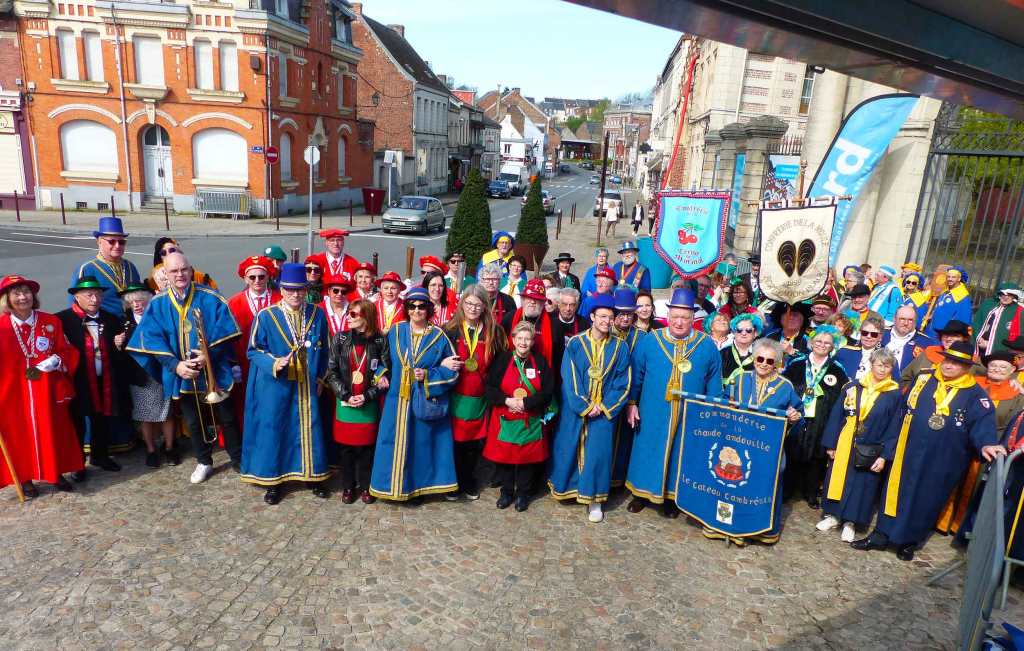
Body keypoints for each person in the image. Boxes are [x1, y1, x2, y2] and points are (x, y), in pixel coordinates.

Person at [853, 341, 1004, 561]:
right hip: (908, 448)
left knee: (927, 498)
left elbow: (983, 425)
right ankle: (881, 535)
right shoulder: (924, 378)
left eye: (956, 363)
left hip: (943, 458)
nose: (949, 365)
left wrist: (987, 443)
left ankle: (909, 541)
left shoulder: (975, 395)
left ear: (967, 367)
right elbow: (902, 409)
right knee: (895, 490)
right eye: (947, 360)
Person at [127, 252, 244, 484]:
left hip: (214, 369)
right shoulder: (158, 303)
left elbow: (227, 328)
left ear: (191, 270)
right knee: (193, 421)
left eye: (184, 269)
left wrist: (209, 355)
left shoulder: (211, 297)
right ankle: (204, 461)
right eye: (174, 271)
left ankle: (238, 458)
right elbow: (150, 338)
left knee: (227, 417)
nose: (180, 274)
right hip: (183, 373)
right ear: (166, 274)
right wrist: (176, 365)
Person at [625, 288, 723, 516]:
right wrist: (632, 403)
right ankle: (641, 493)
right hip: (653, 410)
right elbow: (636, 375)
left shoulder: (706, 345)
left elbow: (714, 382)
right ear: (668, 316)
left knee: (681, 452)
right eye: (675, 317)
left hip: (690, 413)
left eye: (685, 318)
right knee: (648, 449)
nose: (679, 322)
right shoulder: (651, 341)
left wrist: (712, 412)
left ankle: (672, 497)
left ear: (693, 318)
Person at [240, 263, 331, 504]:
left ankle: (313, 476)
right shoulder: (266, 316)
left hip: (307, 384)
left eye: (300, 289)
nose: (295, 294)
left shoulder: (317, 314)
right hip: (276, 385)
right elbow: (253, 350)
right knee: (277, 429)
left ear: (306, 290)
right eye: (290, 289)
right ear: (281, 289)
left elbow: (326, 350)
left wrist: (321, 378)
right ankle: (274, 481)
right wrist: (274, 363)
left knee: (310, 428)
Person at [369, 287, 460, 502]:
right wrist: (380, 374)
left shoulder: (439, 336)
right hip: (396, 400)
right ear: (406, 308)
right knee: (390, 443)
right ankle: (389, 487)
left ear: (428, 309)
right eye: (412, 306)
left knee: (420, 446)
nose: (416, 310)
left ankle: (416, 489)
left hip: (423, 400)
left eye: (421, 306)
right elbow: (379, 358)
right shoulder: (395, 331)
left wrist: (428, 375)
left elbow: (454, 371)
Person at [548, 293, 632, 523]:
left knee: (598, 453)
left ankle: (594, 499)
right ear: (593, 317)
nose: (606, 321)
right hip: (576, 408)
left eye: (610, 317)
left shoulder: (620, 347)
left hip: (604, 411)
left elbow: (623, 382)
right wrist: (584, 405)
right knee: (568, 447)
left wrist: (604, 406)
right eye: (602, 316)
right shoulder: (576, 343)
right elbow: (569, 376)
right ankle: (568, 487)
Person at [712, 338, 802, 545]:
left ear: (776, 363)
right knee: (734, 485)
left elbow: (798, 414)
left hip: (767, 449)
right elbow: (723, 403)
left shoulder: (785, 386)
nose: (763, 364)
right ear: (754, 359)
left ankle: (756, 528)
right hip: (738, 445)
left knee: (761, 488)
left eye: (769, 361)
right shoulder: (739, 378)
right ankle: (728, 524)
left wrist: (794, 417)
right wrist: (727, 406)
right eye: (760, 358)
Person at [0, 275, 83, 496]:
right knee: (19, 435)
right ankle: (24, 477)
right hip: (12, 393)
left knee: (53, 431)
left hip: (46, 389)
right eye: (16, 293)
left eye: (26, 292)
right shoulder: (1, 327)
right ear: (7, 299)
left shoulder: (50, 321)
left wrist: (54, 361)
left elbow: (67, 351)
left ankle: (55, 472)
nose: (23, 297)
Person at [935, 349, 1024, 535]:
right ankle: (940, 521)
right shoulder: (972, 384)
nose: (997, 369)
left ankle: (960, 526)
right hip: (961, 440)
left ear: (1012, 371)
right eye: (993, 366)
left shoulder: (1017, 395)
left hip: (991, 445)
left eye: (1003, 367)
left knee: (974, 486)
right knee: (950, 479)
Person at [818, 348, 902, 543]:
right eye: (879, 364)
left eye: (887, 366)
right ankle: (833, 516)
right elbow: (837, 415)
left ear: (892, 369)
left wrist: (884, 456)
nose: (882, 369)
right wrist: (831, 444)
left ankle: (851, 523)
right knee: (838, 479)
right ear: (871, 364)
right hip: (846, 441)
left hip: (871, 445)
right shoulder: (853, 386)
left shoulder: (895, 394)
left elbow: (894, 427)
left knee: (862, 485)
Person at [56, 276, 136, 477]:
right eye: (89, 295)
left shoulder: (111, 319)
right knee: (77, 421)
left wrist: (119, 345)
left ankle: (100, 455)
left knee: (102, 418)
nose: (95, 299)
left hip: (105, 379)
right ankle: (77, 463)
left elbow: (121, 352)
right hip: (77, 381)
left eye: (98, 294)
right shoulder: (62, 320)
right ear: (76, 297)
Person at [482, 321, 554, 511]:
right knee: (505, 457)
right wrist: (507, 400)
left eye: (527, 339)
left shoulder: (540, 362)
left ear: (533, 341)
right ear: (513, 340)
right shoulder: (502, 360)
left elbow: (547, 392)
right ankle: (506, 492)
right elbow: (489, 388)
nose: (523, 342)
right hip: (505, 416)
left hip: (530, 418)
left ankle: (523, 493)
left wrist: (526, 403)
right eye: (519, 338)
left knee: (527, 460)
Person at [444, 285, 506, 500]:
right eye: (469, 303)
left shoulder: (494, 332)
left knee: (473, 443)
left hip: (480, 397)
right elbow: (438, 358)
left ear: (484, 307)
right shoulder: (450, 330)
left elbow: (500, 364)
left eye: (477, 305)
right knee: (455, 441)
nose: (472, 308)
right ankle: (453, 483)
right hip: (455, 395)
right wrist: (444, 363)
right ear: (462, 305)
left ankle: (469, 481)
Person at [325, 298, 389, 505]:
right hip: (345, 402)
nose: (348, 317)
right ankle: (348, 486)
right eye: (348, 313)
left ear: (366, 317)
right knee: (346, 449)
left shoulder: (379, 340)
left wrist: (368, 395)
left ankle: (366, 486)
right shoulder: (340, 338)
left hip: (368, 403)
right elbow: (332, 371)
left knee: (366, 449)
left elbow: (385, 372)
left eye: (353, 314)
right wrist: (345, 395)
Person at [783, 325, 848, 507]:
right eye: (818, 341)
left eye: (827, 343)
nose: (822, 345)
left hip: (822, 419)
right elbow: (784, 388)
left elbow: (841, 398)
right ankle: (787, 490)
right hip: (796, 417)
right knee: (791, 451)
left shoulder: (838, 370)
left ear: (832, 346)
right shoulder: (796, 364)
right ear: (811, 342)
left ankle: (811, 492)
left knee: (817, 457)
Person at [121, 283, 177, 468]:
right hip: (140, 377)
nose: (136, 305)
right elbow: (121, 354)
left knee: (166, 414)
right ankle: (151, 449)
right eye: (132, 302)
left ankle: (169, 448)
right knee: (145, 415)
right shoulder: (124, 323)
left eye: (140, 301)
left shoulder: (158, 318)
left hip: (161, 373)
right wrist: (118, 343)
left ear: (148, 301)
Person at [226, 256, 280, 429]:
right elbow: (228, 337)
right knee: (245, 405)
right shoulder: (233, 303)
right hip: (244, 364)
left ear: (268, 277)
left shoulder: (279, 300)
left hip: (273, 363)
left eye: (261, 276)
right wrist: (232, 363)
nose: (257, 280)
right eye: (252, 277)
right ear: (245, 279)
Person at [71, 217, 142, 315]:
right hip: (103, 323)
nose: (117, 246)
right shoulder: (87, 269)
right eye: (111, 241)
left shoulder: (130, 267)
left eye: (121, 242)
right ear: (99, 241)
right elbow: (75, 306)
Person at [611, 288, 644, 487]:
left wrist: (633, 399)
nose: (625, 318)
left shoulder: (641, 337)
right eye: (621, 314)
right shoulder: (606, 332)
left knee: (624, 438)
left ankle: (618, 479)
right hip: (608, 394)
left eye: (629, 314)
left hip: (631, 394)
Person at [504, 279, 562, 374]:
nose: (532, 302)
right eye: (529, 298)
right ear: (523, 300)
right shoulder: (510, 317)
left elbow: (558, 357)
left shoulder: (554, 325)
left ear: (543, 302)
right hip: (512, 370)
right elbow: (502, 348)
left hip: (542, 373)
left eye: (537, 299)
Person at [900, 319, 976, 388]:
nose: (948, 338)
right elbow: (906, 377)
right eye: (946, 335)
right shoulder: (928, 353)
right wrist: (911, 393)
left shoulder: (972, 361)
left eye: (955, 336)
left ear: (965, 339)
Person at [880, 304, 935, 374]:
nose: (906, 323)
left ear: (915, 322)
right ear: (894, 319)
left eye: (910, 320)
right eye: (902, 319)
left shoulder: (926, 343)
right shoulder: (880, 333)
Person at [974, 283, 1024, 356]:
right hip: (978, 346)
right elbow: (977, 323)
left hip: (1000, 351)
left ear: (1014, 296)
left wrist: (990, 344)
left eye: (1010, 295)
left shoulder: (1019, 311)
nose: (1006, 297)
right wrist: (979, 338)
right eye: (1003, 294)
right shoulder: (988, 304)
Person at [923, 265, 972, 340]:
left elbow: (962, 321)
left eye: (953, 277)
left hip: (945, 336)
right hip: (932, 333)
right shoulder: (945, 292)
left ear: (959, 279)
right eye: (948, 277)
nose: (950, 279)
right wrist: (931, 316)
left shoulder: (963, 297)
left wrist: (952, 337)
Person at [150, 238, 217, 290]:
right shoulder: (155, 279)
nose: (168, 254)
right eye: (163, 253)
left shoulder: (202, 278)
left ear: (179, 251)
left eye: (172, 250)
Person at [835, 315, 886, 380]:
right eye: (865, 333)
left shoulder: (886, 357)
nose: (868, 336)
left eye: (874, 334)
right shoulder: (844, 352)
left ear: (880, 337)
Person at [721, 313, 762, 387]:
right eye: (739, 330)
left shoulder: (762, 355)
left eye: (748, 330)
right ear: (734, 332)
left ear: (755, 333)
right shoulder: (722, 353)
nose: (743, 333)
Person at [477, 263, 517, 328]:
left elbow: (513, 325)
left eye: (494, 279)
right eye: (487, 279)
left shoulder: (508, 300)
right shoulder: (476, 299)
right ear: (481, 281)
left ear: (499, 281)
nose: (491, 283)